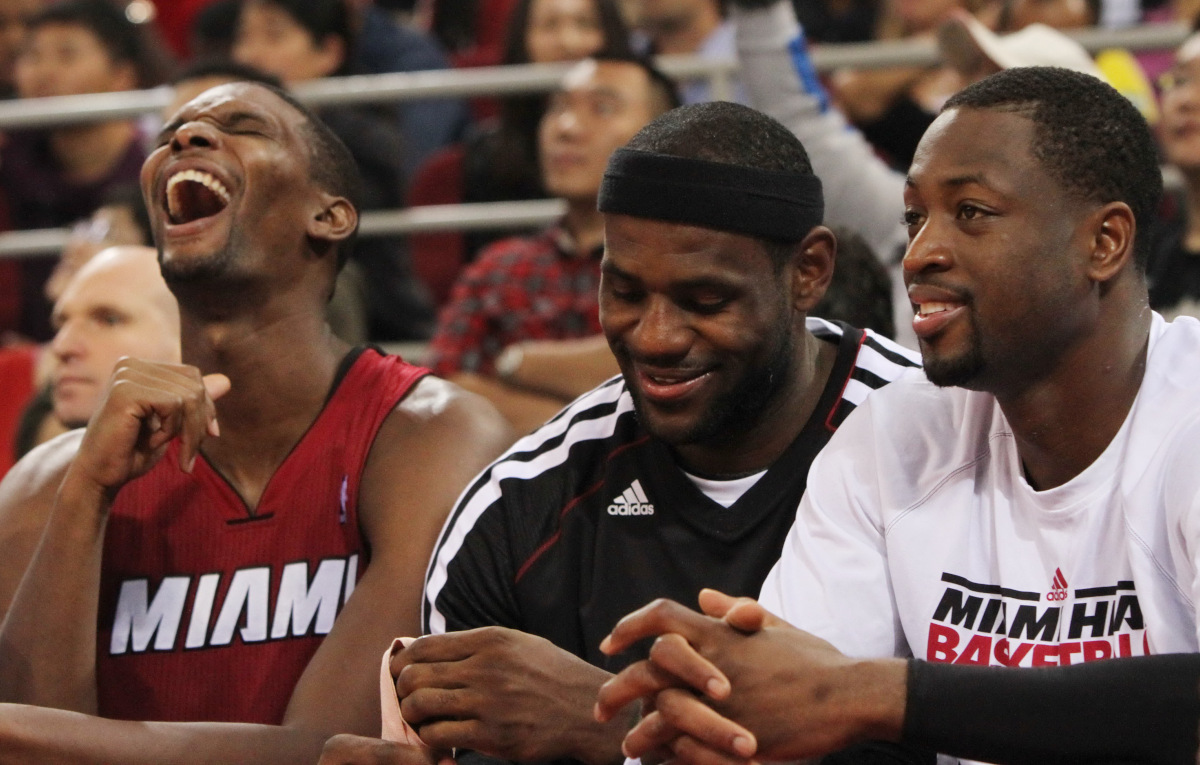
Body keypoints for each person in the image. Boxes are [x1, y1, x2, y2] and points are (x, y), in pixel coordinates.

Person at [594, 66, 1200, 765]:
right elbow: (788, 709)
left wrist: (882, 695)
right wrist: (701, 710)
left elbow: (847, 694)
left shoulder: (1185, 419)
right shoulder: (894, 433)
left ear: (1104, 242)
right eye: (915, 218)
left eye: (970, 212)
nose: (919, 254)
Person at [318, 100, 920, 765]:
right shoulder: (518, 510)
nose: (655, 337)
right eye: (626, 292)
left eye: (706, 300)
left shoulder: (945, 442)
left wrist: (611, 721)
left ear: (808, 271)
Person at [0, 80, 512, 763]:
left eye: (245, 127)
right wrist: (87, 494)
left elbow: (337, 746)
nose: (185, 139)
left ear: (329, 216)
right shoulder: (51, 482)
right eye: (170, 135)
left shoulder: (432, 434)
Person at [426, 56, 678, 433]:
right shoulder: (501, 267)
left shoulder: (689, 260)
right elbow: (442, 392)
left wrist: (519, 362)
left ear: (664, 140)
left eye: (602, 108)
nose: (567, 127)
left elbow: (672, 372)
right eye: (558, 107)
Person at [233, 0, 438, 341]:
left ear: (328, 51)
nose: (248, 56)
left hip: (369, 321)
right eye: (243, 37)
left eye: (273, 36)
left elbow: (356, 261)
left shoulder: (362, 144)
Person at [1, 0, 154, 342]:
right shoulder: (10, 159)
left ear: (122, 76)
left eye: (67, 55)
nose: (44, 71)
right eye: (31, 56)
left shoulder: (155, 162)